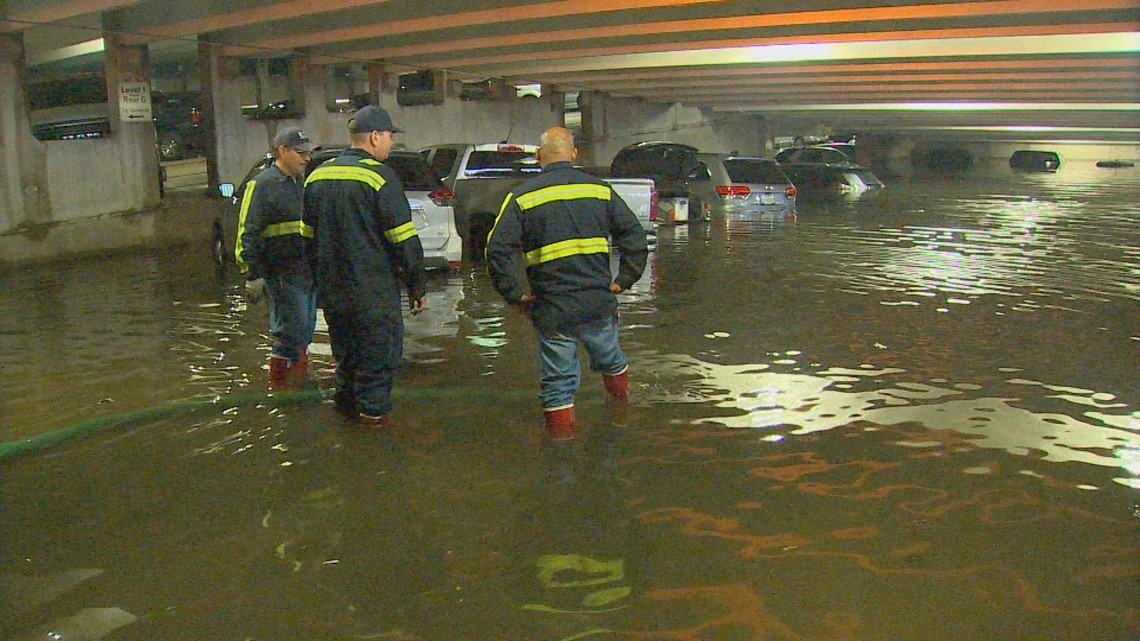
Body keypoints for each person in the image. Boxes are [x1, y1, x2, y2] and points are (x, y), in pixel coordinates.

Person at [485, 126, 648, 440]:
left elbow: (496, 251)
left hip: (552, 307)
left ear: (538, 157)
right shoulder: (600, 190)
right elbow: (634, 237)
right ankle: (620, 415)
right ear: (574, 154)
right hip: (597, 302)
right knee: (611, 358)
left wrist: (515, 294)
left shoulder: (522, 197)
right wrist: (624, 280)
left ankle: (561, 455)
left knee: (558, 383)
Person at [302, 106, 427, 427]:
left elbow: (308, 239)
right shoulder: (379, 177)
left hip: (334, 297)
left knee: (346, 366)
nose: (390, 143)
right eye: (389, 136)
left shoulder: (317, 175)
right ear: (374, 137)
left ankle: (345, 434)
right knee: (377, 369)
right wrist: (417, 285)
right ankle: (373, 451)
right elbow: (404, 241)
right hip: (372, 297)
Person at [235, 126, 317, 390]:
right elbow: (247, 232)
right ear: (283, 151)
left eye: (308, 154)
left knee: (304, 331)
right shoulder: (262, 185)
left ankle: (298, 386)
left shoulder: (302, 184)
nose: (306, 159)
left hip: (305, 272)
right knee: (289, 334)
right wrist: (253, 274)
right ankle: (281, 390)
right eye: (301, 153)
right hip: (281, 273)